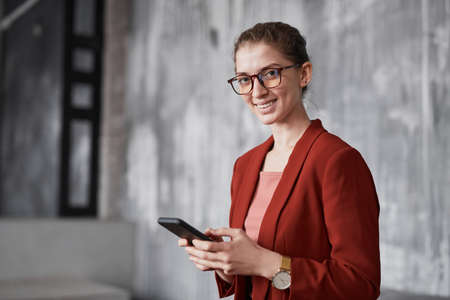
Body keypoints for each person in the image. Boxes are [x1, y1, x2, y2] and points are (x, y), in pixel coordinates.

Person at [179, 22, 380, 300]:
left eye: (270, 74)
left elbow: (360, 284)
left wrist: (264, 262)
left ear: (304, 74)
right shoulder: (245, 166)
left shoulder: (338, 161)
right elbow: (256, 281)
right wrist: (226, 263)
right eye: (245, 79)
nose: (257, 91)